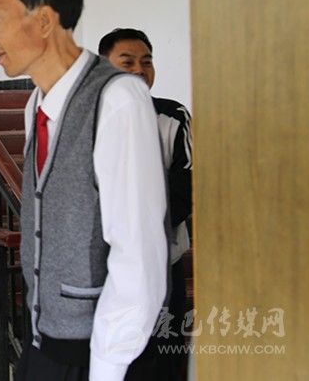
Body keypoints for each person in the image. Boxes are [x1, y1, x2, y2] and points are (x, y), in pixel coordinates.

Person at [0, 0, 168, 381]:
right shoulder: (36, 103)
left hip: (100, 355)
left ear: (44, 20)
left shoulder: (117, 99)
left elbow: (137, 254)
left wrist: (108, 367)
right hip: (45, 341)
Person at [99, 27, 193, 380]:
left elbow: (185, 187)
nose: (140, 69)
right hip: (104, 268)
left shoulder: (172, 117)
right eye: (128, 62)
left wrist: (140, 233)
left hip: (163, 263)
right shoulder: (86, 120)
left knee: (164, 358)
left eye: (147, 61)